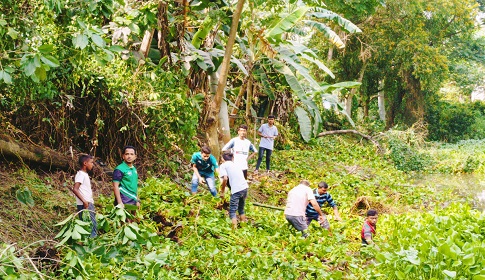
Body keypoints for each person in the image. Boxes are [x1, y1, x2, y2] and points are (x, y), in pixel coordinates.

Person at [219, 152, 249, 229]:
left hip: (236, 190)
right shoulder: (235, 164)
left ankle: (234, 230)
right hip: (244, 188)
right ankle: (243, 228)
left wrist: (222, 191)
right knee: (241, 209)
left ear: (223, 159)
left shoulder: (223, 165)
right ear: (232, 158)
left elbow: (225, 178)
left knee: (232, 211)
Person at [71, 154, 97, 237]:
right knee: (90, 225)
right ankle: (91, 241)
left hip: (87, 203)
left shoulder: (84, 174)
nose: (92, 164)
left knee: (89, 224)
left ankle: (89, 241)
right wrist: (84, 201)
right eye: (91, 162)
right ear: (85, 163)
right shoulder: (81, 174)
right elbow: (75, 189)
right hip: (85, 204)